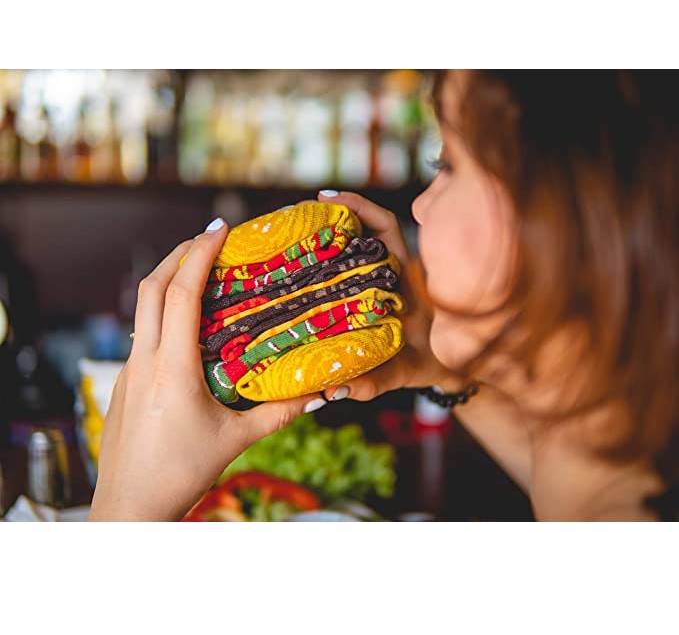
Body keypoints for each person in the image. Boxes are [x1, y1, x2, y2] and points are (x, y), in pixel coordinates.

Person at [89, 70, 679, 522]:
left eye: (447, 164)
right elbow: (571, 483)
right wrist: (439, 370)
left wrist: (123, 514)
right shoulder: (613, 483)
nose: (419, 206)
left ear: (573, 219)